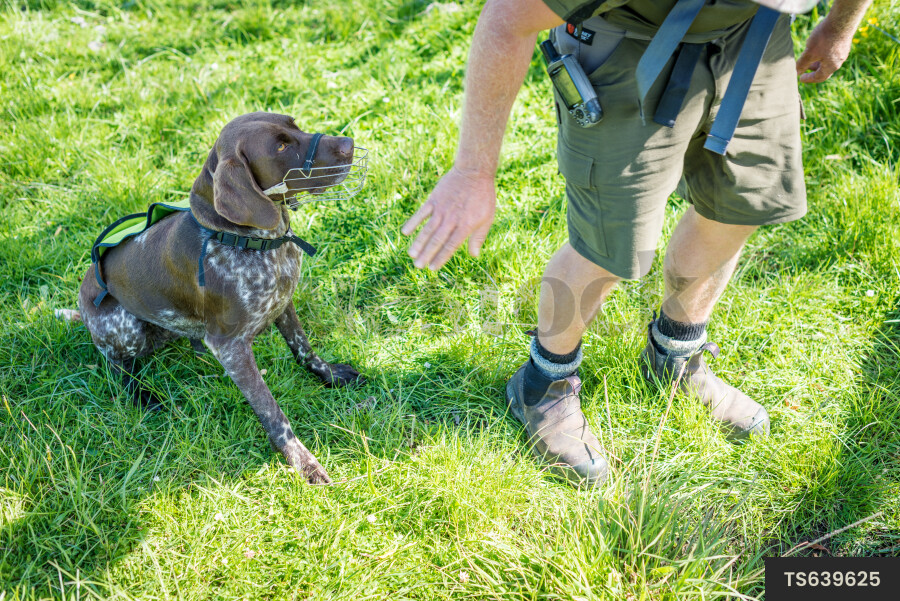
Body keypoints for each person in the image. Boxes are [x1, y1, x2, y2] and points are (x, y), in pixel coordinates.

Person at [401, 0, 873, 486]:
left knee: (741, 204)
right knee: (610, 246)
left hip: (756, 34)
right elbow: (506, 19)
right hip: (632, 41)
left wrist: (840, 25)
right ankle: (544, 384)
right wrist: (473, 171)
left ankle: (674, 356)